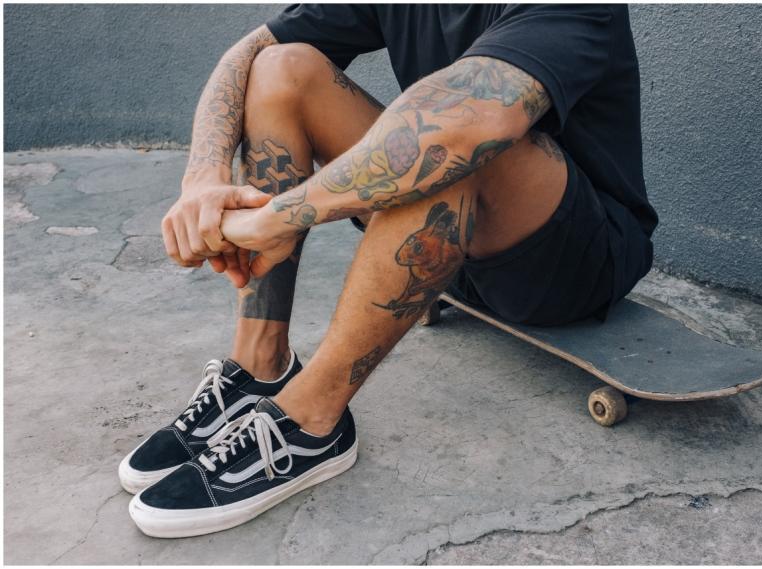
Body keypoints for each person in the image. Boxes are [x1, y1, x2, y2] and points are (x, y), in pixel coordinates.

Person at [120, 4, 657, 537]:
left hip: (571, 268)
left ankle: (312, 421)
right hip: (439, 251)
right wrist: (204, 178)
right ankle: (262, 365)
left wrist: (275, 219)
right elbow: (247, 52)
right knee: (282, 68)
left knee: (453, 135)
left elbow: (473, 122)